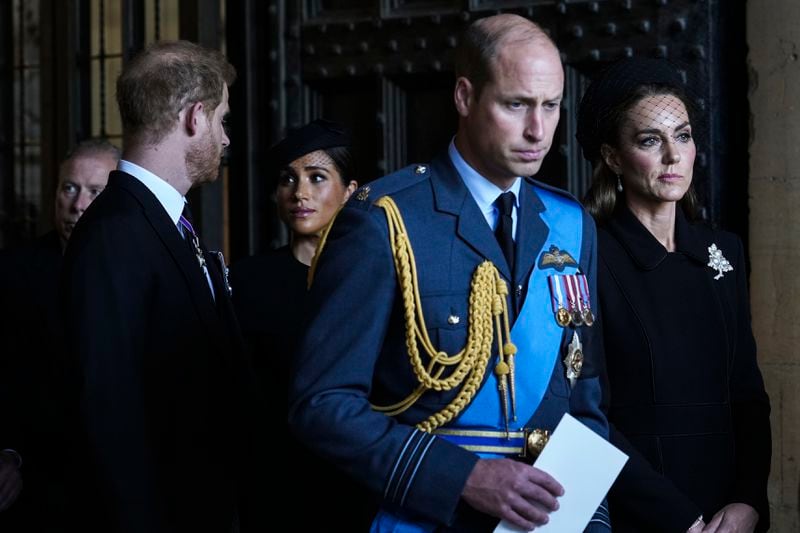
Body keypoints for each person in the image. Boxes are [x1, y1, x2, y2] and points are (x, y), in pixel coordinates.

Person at [289, 14, 611, 532]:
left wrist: (589, 522)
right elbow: (321, 405)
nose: (538, 130)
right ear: (465, 97)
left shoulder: (571, 225)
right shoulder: (385, 221)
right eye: (516, 105)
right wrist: (463, 477)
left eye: (551, 106)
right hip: (425, 517)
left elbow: (585, 401)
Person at [60, 40, 265, 532]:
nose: (226, 139)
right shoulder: (115, 232)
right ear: (195, 117)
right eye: (222, 121)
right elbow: (108, 414)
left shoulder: (165, 220)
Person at [577, 57, 771, 533]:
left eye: (683, 136)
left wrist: (748, 500)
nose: (673, 156)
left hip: (729, 513)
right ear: (612, 156)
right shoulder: (586, 255)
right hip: (639, 511)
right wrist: (677, 518)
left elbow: (747, 393)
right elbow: (586, 413)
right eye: (650, 140)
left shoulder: (723, 251)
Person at [230, 118, 366, 527]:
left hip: (356, 483)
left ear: (349, 192)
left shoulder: (374, 281)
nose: (300, 193)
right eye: (288, 179)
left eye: (317, 177)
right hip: (274, 485)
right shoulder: (246, 281)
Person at [0, 139, 119, 532]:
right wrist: (8, 452)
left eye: (95, 192)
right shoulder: (14, 274)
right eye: (69, 188)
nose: (78, 204)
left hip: (113, 484)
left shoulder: (133, 275)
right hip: (34, 480)